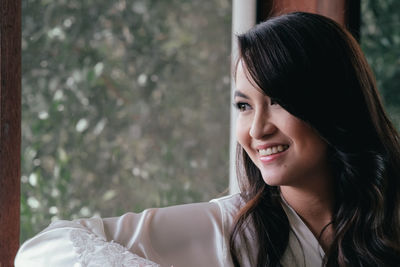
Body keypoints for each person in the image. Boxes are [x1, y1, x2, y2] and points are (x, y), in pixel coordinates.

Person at [15, 12, 400, 267]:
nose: (256, 129)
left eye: (278, 101)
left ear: (333, 102)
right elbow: (41, 253)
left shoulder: (389, 221)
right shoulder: (231, 229)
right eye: (244, 106)